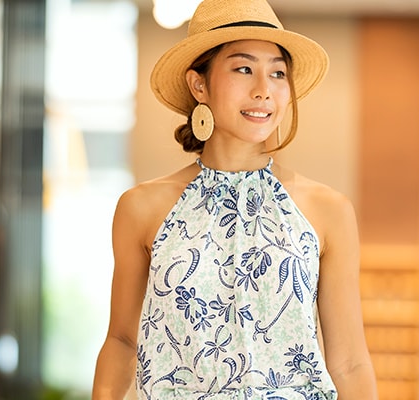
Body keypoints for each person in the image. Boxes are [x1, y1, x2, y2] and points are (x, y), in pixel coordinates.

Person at [92, 0, 378, 398]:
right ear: (199, 85)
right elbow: (123, 341)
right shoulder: (141, 207)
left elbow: (350, 363)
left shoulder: (328, 211)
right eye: (244, 69)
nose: (264, 90)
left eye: (278, 73)